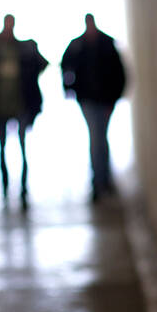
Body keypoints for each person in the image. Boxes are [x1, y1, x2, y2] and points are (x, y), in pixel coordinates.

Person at [0, 15, 48, 210]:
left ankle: (23, 188)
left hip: (21, 105)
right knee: (2, 147)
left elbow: (41, 64)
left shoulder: (23, 49)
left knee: (23, 147)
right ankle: (5, 185)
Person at [60, 14, 125, 202]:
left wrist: (113, 98)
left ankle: (103, 180)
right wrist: (69, 88)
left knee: (100, 139)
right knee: (97, 139)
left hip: (104, 101)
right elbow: (65, 67)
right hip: (88, 100)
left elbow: (119, 73)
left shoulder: (106, 44)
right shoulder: (77, 46)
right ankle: (99, 181)